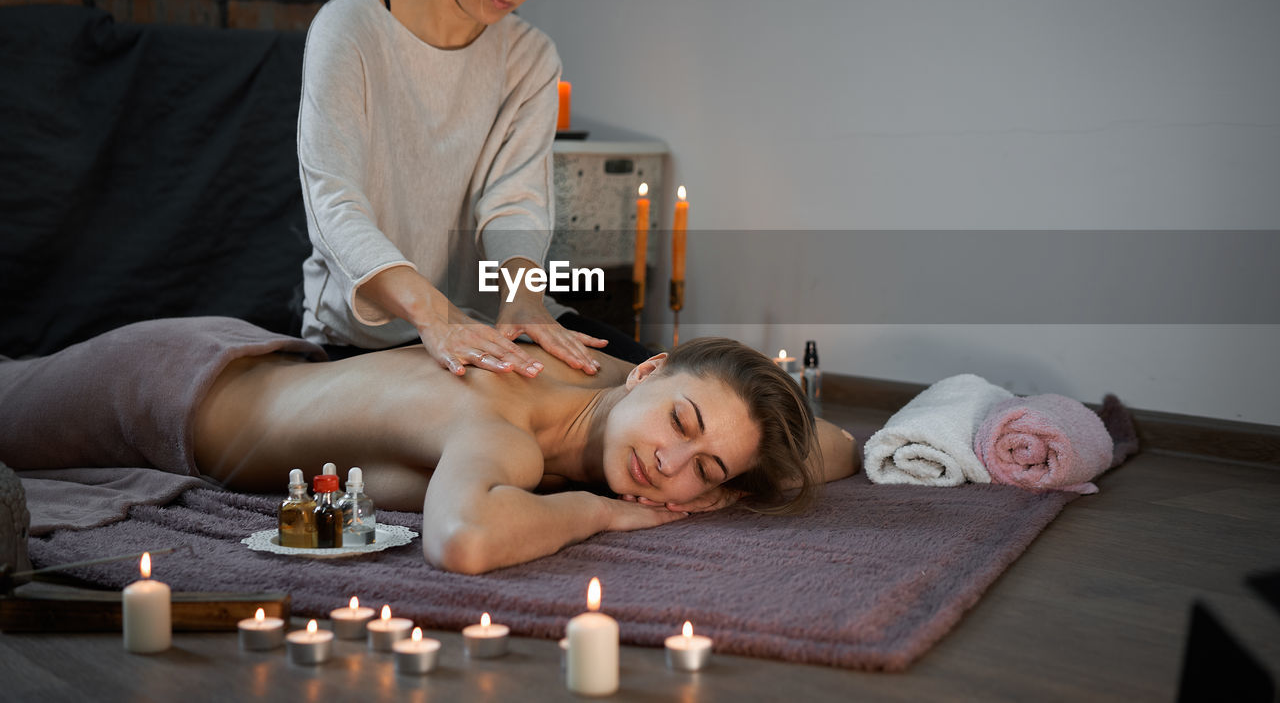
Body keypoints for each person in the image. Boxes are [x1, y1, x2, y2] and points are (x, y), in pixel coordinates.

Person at [0, 318, 860, 574]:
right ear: (649, 372)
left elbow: (834, 443)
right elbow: (466, 540)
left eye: (704, 469)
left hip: (258, 365)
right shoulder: (505, 431)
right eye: (680, 427)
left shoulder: (615, 384)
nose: (667, 467)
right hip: (157, 391)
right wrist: (601, 512)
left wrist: (725, 482)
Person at [298, 0, 631, 378]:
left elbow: (515, 200)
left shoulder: (531, 57)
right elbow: (334, 206)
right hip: (371, 340)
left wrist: (522, 299)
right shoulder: (350, 28)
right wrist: (436, 316)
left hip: (488, 324)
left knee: (659, 378)